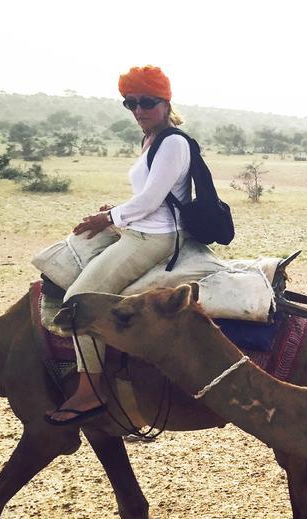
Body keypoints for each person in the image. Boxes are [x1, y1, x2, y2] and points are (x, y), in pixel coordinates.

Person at [46, 66, 191, 426]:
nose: (139, 110)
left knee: (81, 298)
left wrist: (109, 219)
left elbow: (152, 199)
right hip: (140, 227)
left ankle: (90, 391)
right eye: (131, 103)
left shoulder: (172, 142)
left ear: (165, 101)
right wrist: (114, 212)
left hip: (155, 237)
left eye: (147, 102)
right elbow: (146, 197)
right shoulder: (151, 139)